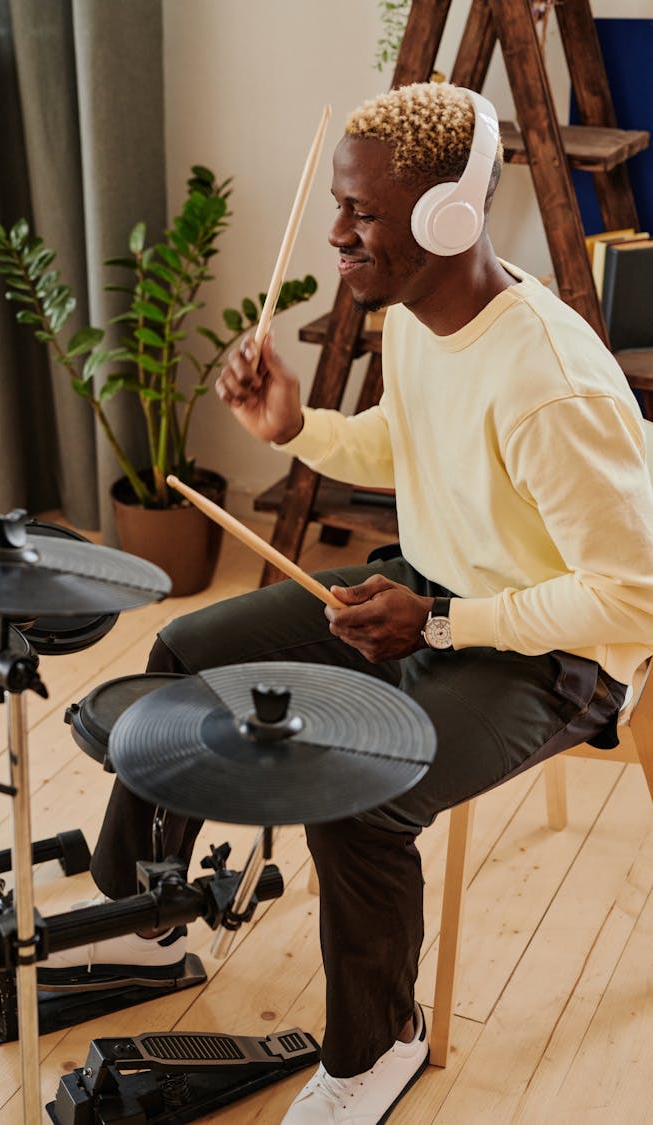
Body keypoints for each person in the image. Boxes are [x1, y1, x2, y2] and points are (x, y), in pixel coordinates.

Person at [50, 83, 653, 1123]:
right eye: (340, 205)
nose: (336, 233)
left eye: (362, 214)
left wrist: (450, 626)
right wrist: (297, 425)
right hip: (430, 590)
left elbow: (635, 597)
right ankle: (146, 908)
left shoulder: (551, 382)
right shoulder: (420, 314)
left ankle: (382, 1043)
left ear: (447, 218)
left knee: (361, 795)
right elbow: (401, 441)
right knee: (187, 654)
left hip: (556, 657)